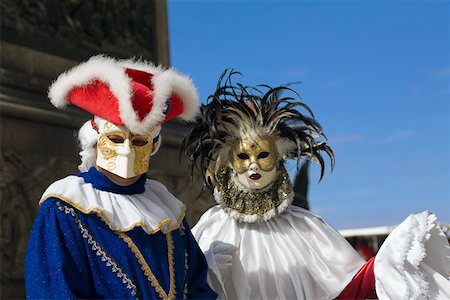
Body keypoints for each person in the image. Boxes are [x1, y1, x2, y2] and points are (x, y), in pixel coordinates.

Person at [183, 70, 450, 299]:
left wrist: (390, 261)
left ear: (278, 158)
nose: (253, 165)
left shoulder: (306, 228)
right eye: (243, 156)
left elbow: (350, 289)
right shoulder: (212, 227)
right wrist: (203, 268)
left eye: (263, 155)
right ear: (228, 161)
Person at [25, 55, 217, 299]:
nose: (127, 151)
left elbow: (197, 287)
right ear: (95, 140)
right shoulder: (65, 210)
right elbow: (54, 292)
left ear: (153, 146)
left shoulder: (168, 214)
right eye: (115, 139)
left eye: (139, 142)